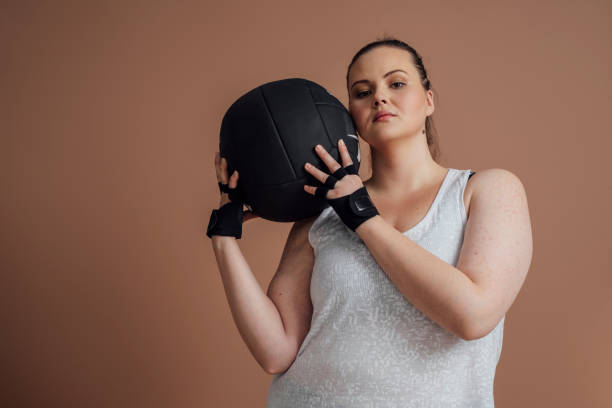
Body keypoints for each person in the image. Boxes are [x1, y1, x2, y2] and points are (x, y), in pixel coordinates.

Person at [208, 37, 533, 407]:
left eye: (396, 83)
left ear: (429, 100)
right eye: (362, 92)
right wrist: (224, 236)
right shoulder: (322, 214)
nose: (379, 97)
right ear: (351, 116)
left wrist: (362, 216)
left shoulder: (486, 190)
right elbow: (275, 352)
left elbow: (472, 316)